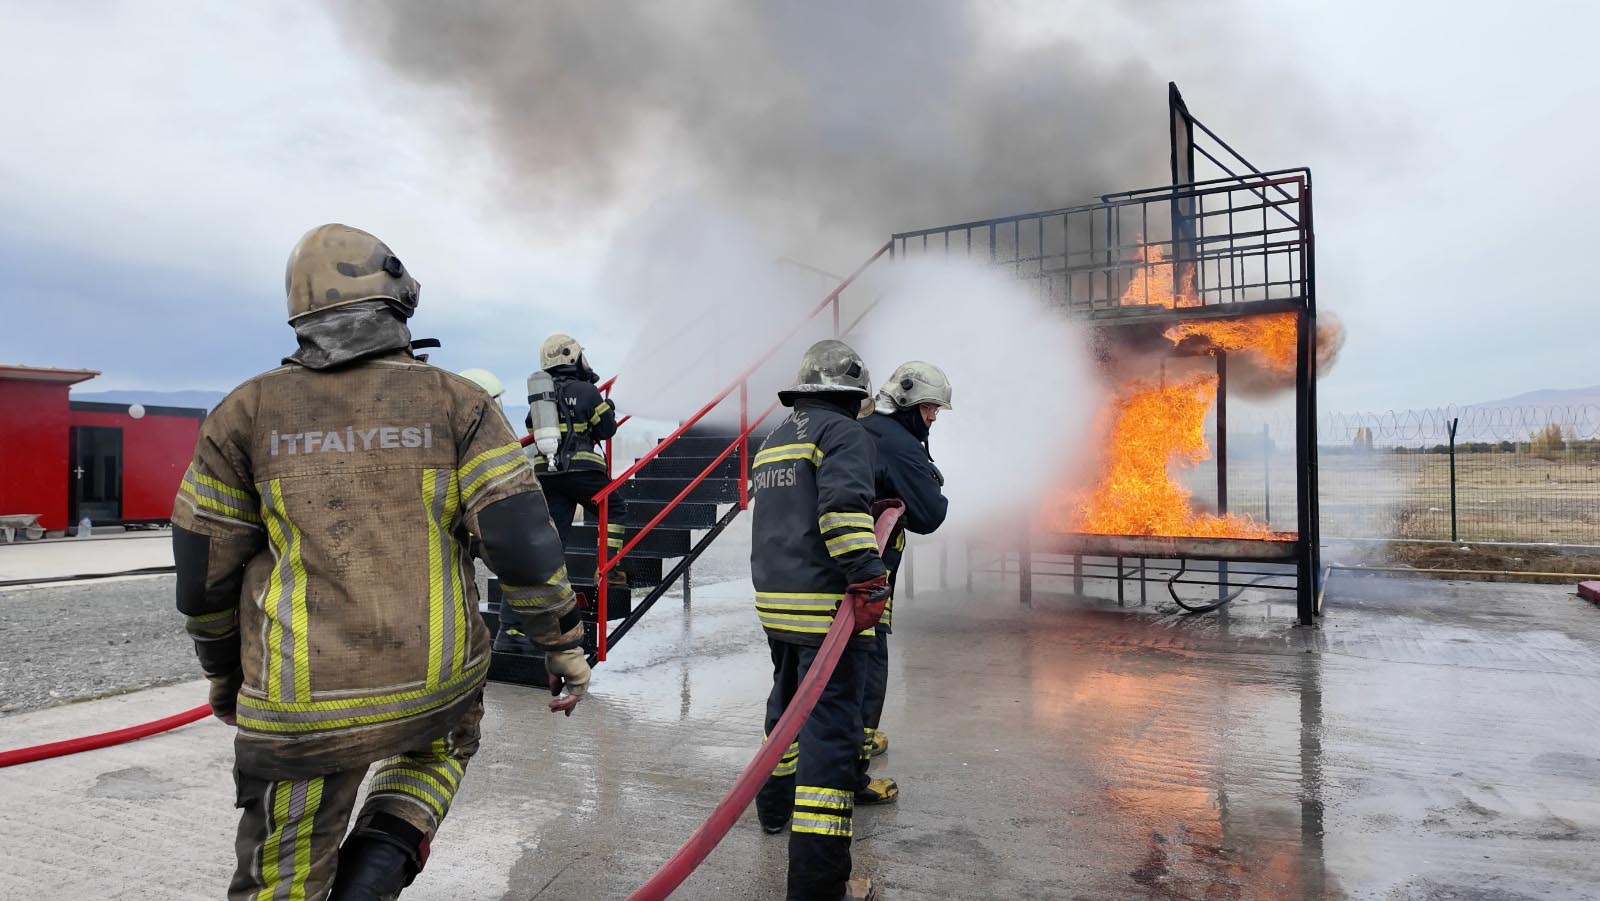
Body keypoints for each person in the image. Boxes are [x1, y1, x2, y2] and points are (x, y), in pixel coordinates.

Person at [172, 223, 591, 900]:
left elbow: (203, 569)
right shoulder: (459, 404)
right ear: (398, 301)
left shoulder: (242, 414)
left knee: (281, 877)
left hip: (297, 707)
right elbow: (519, 540)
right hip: (434, 682)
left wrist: (225, 676)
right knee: (439, 747)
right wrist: (561, 644)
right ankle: (373, 875)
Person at [751, 339, 890, 901]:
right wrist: (869, 577)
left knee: (784, 710)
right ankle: (821, 886)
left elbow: (796, 514)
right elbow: (839, 512)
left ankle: (771, 806)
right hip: (825, 611)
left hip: (775, 602)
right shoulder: (845, 434)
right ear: (854, 391)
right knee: (830, 744)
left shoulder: (776, 438)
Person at [854, 362, 952, 806]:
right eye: (931, 408)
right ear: (910, 402)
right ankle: (856, 755)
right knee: (870, 656)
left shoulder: (862, 429)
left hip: (847, 563)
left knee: (849, 655)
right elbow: (931, 514)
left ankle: (849, 741)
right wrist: (934, 485)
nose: (933, 417)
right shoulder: (898, 444)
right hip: (872, 569)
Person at [524, 333, 627, 556]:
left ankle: (549, 582)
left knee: (556, 532)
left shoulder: (542, 395)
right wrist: (606, 408)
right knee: (613, 508)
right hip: (581, 471)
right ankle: (607, 569)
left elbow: (531, 426)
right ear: (571, 357)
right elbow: (606, 430)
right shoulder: (587, 391)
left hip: (548, 474)